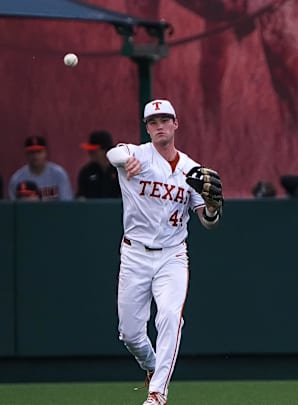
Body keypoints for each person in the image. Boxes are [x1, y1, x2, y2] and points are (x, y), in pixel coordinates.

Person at [105, 99, 224, 405]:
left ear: (175, 124)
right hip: (135, 253)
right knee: (129, 333)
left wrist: (212, 207)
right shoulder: (136, 154)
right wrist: (123, 161)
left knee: (171, 317)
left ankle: (157, 394)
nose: (159, 126)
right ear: (147, 128)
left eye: (164, 120)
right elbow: (113, 152)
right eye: (153, 122)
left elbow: (208, 223)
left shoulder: (191, 170)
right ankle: (150, 365)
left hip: (172, 255)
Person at [8, 135, 73, 201]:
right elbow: (13, 206)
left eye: (39, 152)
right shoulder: (17, 178)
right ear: (26, 154)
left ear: (46, 153)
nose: (35, 156)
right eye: (31, 152)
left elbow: (66, 203)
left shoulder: (59, 174)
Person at [77, 130, 121, 199]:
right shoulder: (86, 172)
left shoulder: (119, 171)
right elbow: (80, 197)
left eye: (94, 150)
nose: (90, 152)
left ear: (105, 150)